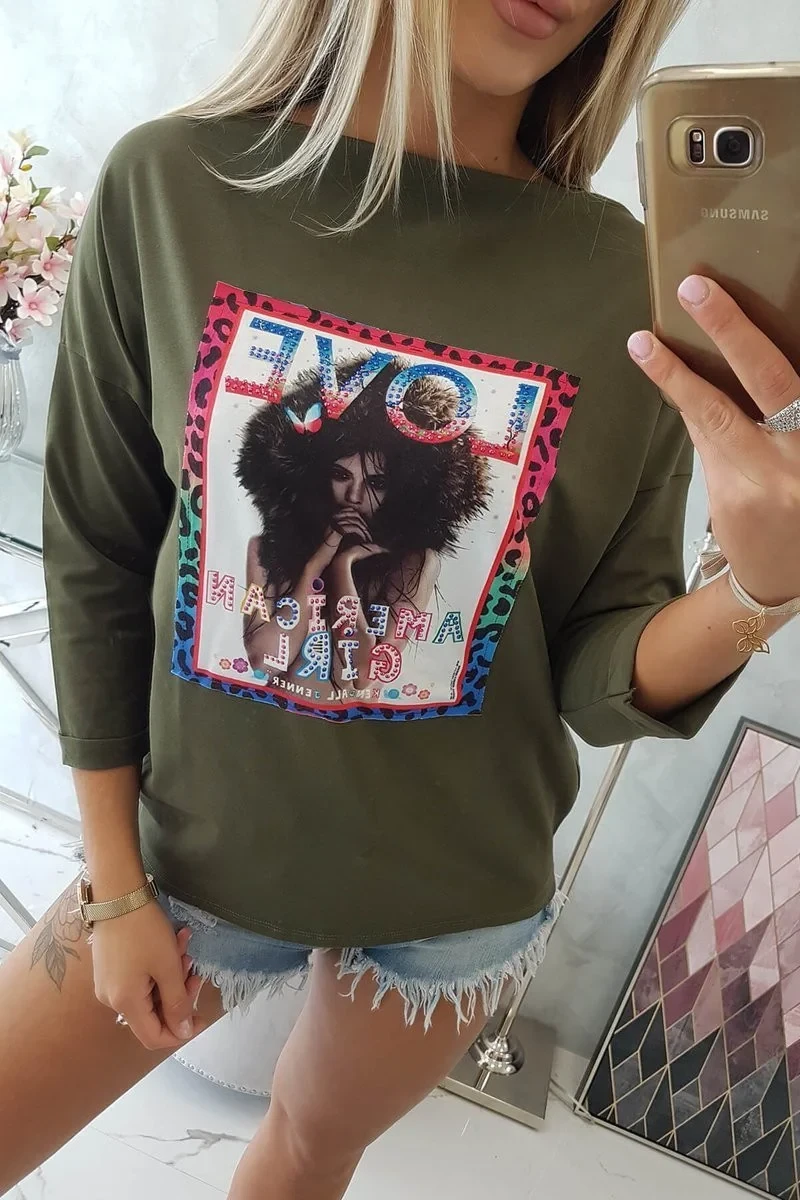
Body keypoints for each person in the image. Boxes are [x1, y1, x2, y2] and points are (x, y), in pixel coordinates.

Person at [2, 1, 799, 1197]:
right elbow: (98, 550)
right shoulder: (175, 184)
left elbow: (594, 674)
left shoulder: (618, 283)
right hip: (187, 854)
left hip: (453, 901)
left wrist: (764, 583)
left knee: (308, 1154)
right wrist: (114, 882)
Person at [237, 356, 490, 691]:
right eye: (341, 475)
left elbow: (361, 674)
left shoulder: (415, 563)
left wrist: (342, 567)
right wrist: (316, 565)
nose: (354, 496)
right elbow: (265, 663)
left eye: (376, 483)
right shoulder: (264, 549)